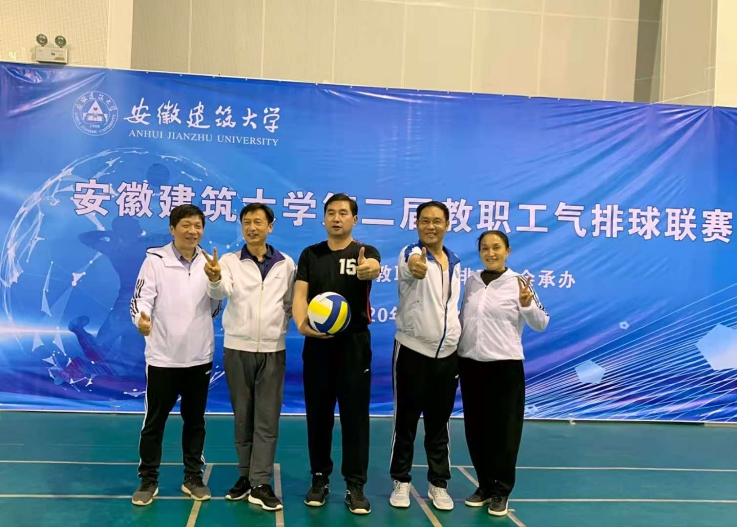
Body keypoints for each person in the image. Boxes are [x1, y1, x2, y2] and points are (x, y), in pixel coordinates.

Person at [293, 193, 381, 515]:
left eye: (343, 213)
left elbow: (373, 267)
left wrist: (368, 269)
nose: (336, 218)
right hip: (317, 344)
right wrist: (301, 324)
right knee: (318, 416)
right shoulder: (311, 254)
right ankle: (319, 478)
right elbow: (299, 295)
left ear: (354, 219)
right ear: (324, 218)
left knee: (355, 418)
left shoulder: (364, 252)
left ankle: (355, 484)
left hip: (354, 345)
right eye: (331, 212)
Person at [204, 203, 296, 512]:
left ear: (271, 226)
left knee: (266, 420)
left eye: (258, 222)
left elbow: (291, 304)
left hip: (272, 350)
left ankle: (261, 482)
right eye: (246, 222)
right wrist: (214, 278)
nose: (252, 227)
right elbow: (220, 292)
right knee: (243, 418)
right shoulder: (229, 262)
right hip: (237, 349)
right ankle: (245, 476)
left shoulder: (286, 264)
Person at [129, 204, 222, 507]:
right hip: (163, 358)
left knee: (195, 422)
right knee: (154, 423)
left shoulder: (210, 262)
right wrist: (142, 319)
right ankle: (148, 479)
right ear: (172, 229)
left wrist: (215, 281)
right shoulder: (155, 260)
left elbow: (216, 308)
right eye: (186, 225)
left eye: (198, 226)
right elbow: (141, 298)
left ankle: (193, 477)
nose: (192, 231)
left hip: (199, 357)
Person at [457, 230, 549, 516]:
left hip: (505, 368)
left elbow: (541, 323)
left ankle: (502, 490)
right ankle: (484, 486)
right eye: (485, 248)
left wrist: (527, 304)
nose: (490, 253)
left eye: (496, 247)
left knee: (505, 433)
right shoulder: (472, 281)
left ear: (507, 251)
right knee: (476, 431)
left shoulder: (519, 282)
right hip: (470, 366)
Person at [390, 201, 461, 511]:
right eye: (424, 221)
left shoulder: (455, 261)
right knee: (405, 422)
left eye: (437, 221)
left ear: (447, 224)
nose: (431, 226)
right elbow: (412, 266)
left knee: (439, 423)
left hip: (448, 355)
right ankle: (401, 481)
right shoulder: (411, 253)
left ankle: (438, 484)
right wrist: (416, 266)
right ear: (417, 224)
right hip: (412, 350)